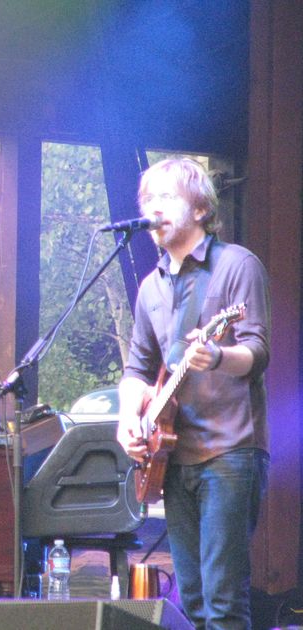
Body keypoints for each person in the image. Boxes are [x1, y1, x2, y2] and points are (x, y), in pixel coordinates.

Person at [116, 158, 270, 629]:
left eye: (166, 198)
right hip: (172, 453)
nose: (153, 209)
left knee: (224, 601)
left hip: (230, 449)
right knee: (195, 601)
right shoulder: (151, 288)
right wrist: (128, 419)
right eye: (148, 200)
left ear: (201, 208)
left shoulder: (237, 265)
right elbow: (137, 369)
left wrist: (217, 356)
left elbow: (257, 352)